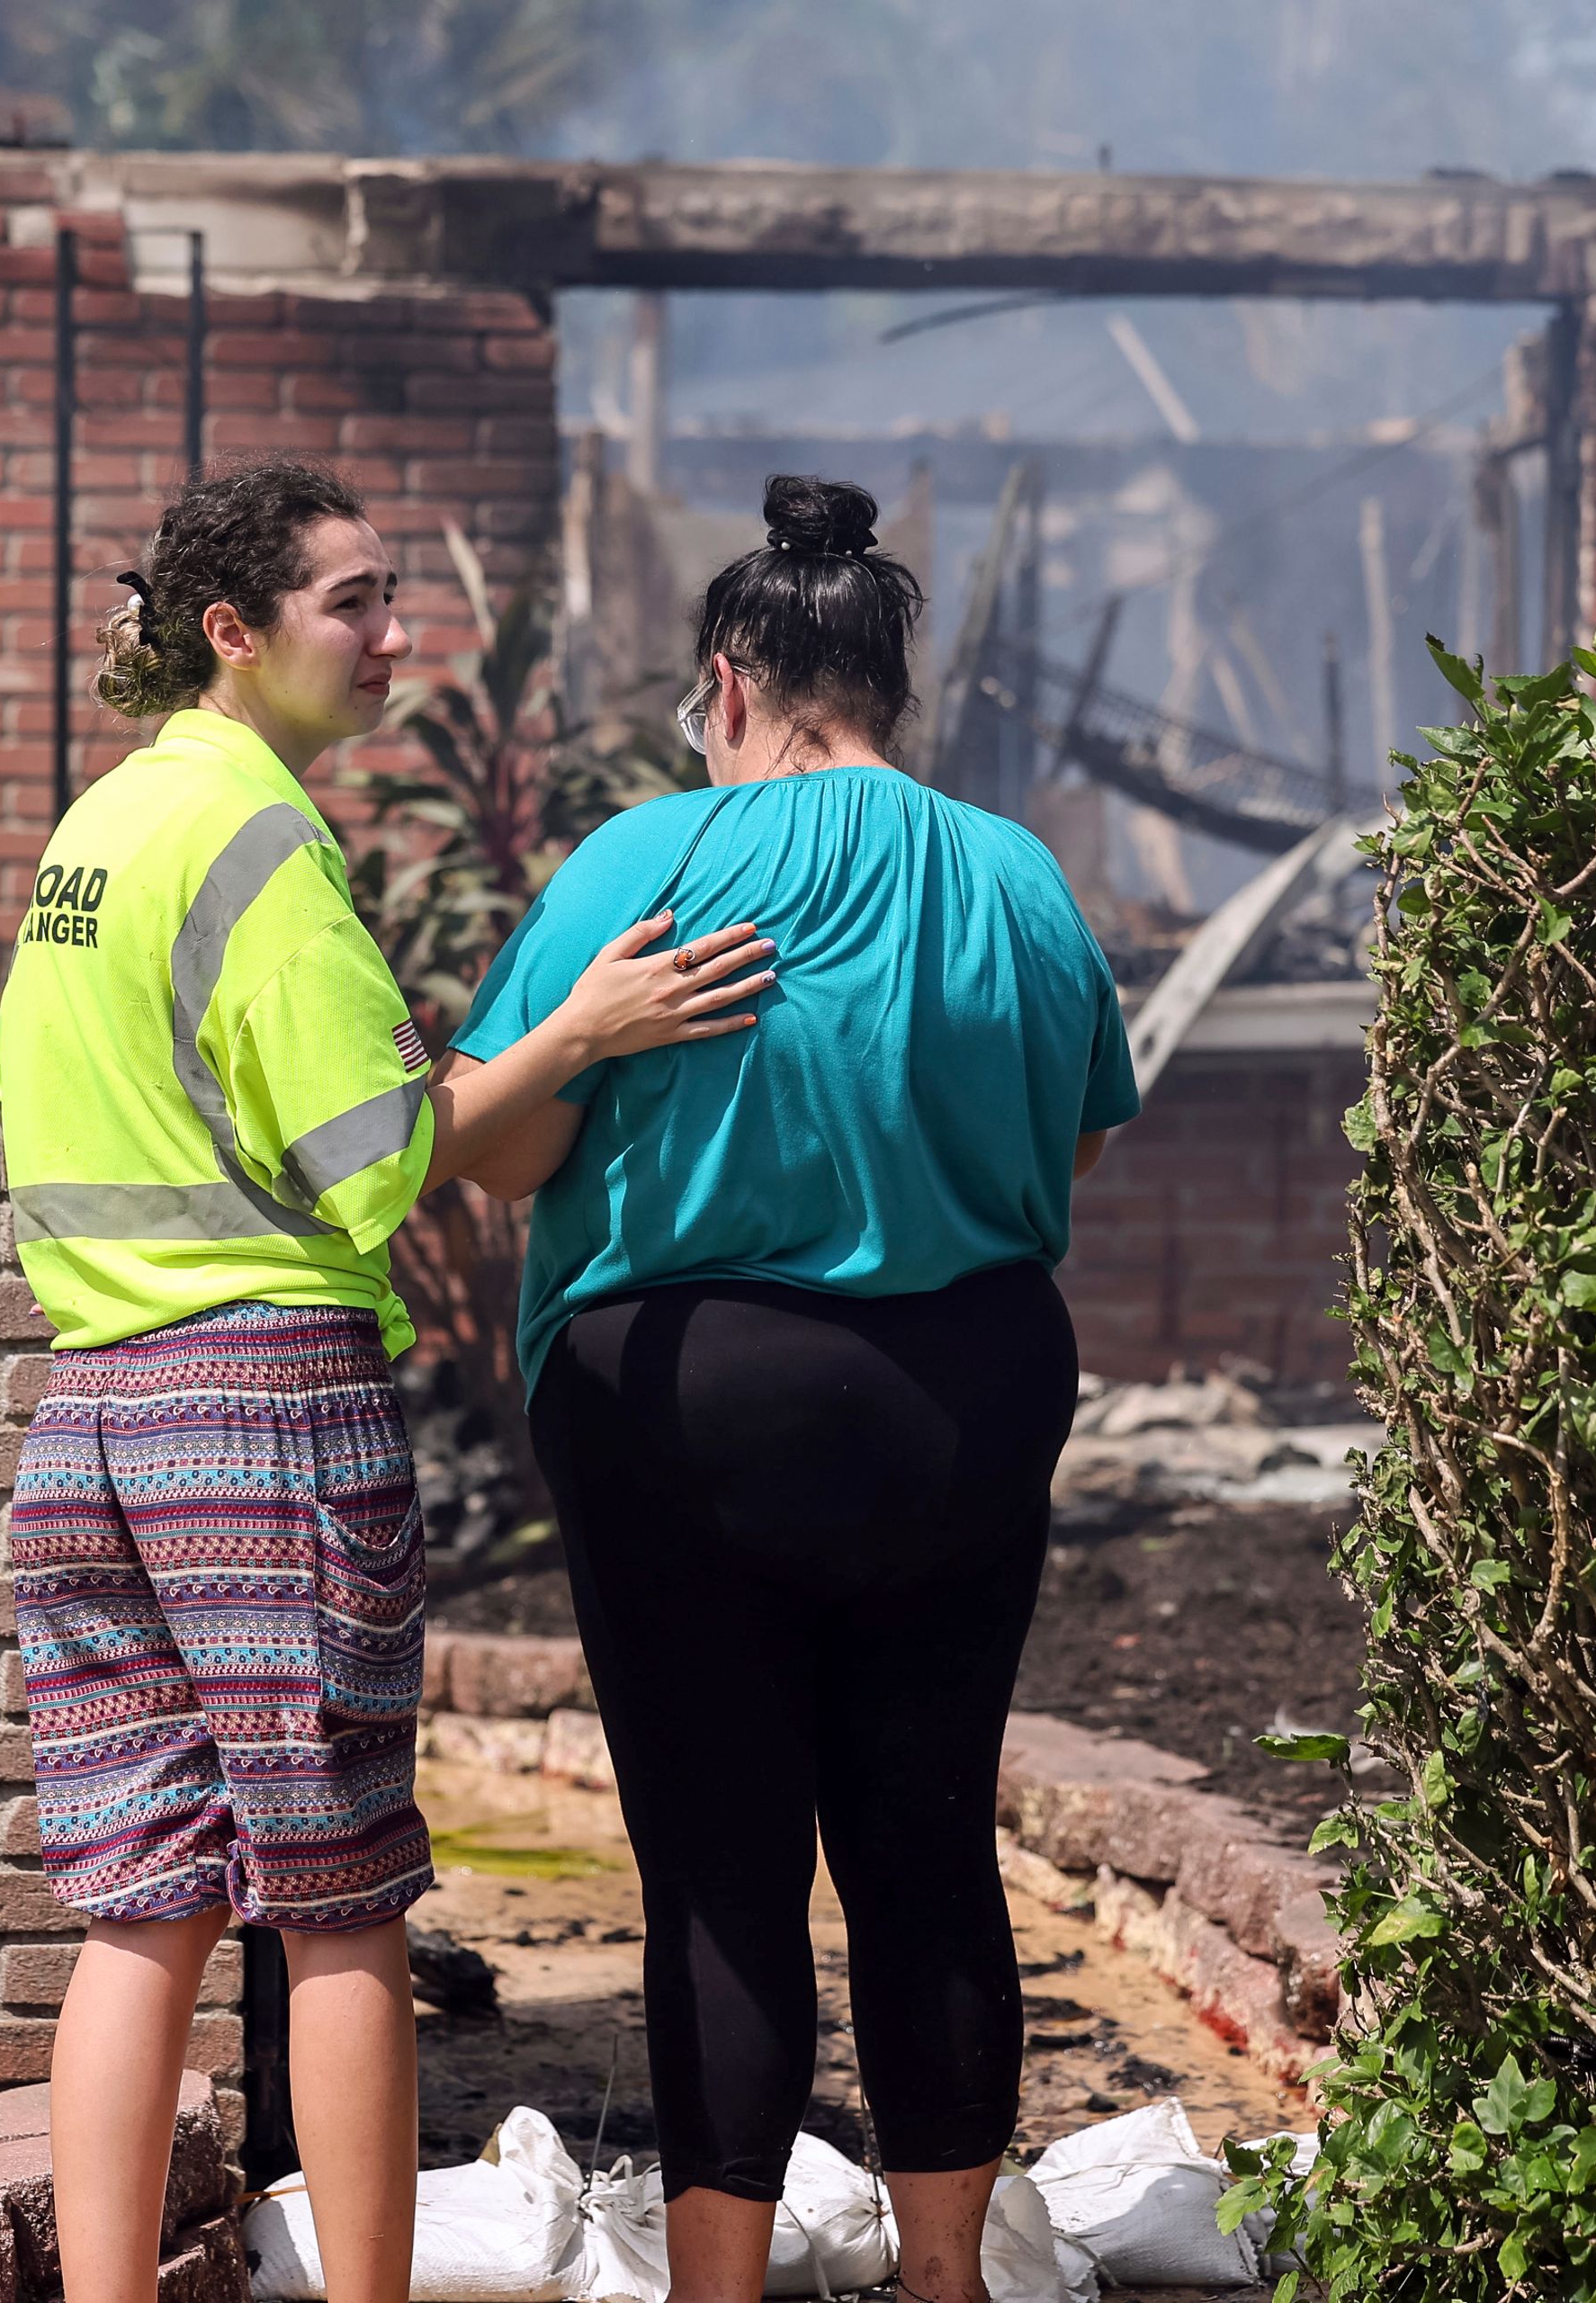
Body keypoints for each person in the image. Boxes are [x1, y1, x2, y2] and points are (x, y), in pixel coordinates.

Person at [0, 458, 774, 2303]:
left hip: (92, 1412)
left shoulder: (94, 832)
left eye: (392, 593)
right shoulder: (260, 844)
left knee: (142, 1907)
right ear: (231, 633)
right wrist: (581, 1030)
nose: (395, 635)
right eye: (352, 601)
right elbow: (390, 1160)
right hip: (258, 1413)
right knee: (341, 1910)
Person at [447, 475, 1140, 2303]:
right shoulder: (1015, 872)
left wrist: (584, 1044)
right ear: (891, 684)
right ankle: (943, 2282)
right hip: (968, 1394)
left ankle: (719, 2289)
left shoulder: (640, 864)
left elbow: (499, 1158)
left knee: (719, 1868)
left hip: (684, 1402)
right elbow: (1073, 1112)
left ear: (729, 677)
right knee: (928, 1842)